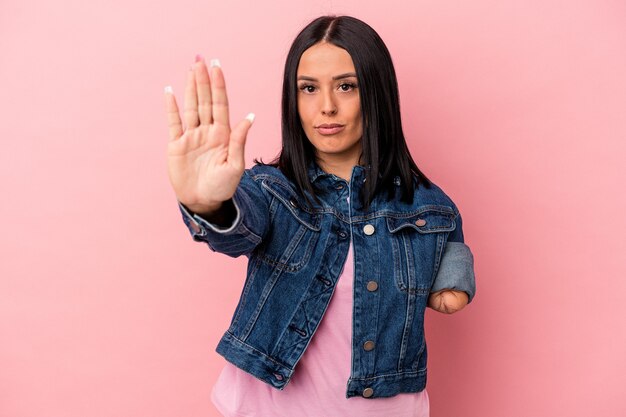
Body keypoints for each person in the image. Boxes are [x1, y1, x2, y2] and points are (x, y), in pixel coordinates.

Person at [164, 15, 475, 417]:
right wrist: (207, 204)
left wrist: (454, 287)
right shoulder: (272, 191)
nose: (326, 106)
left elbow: (451, 254)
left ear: (377, 94)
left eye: (346, 86)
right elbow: (236, 228)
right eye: (308, 88)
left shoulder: (430, 207)